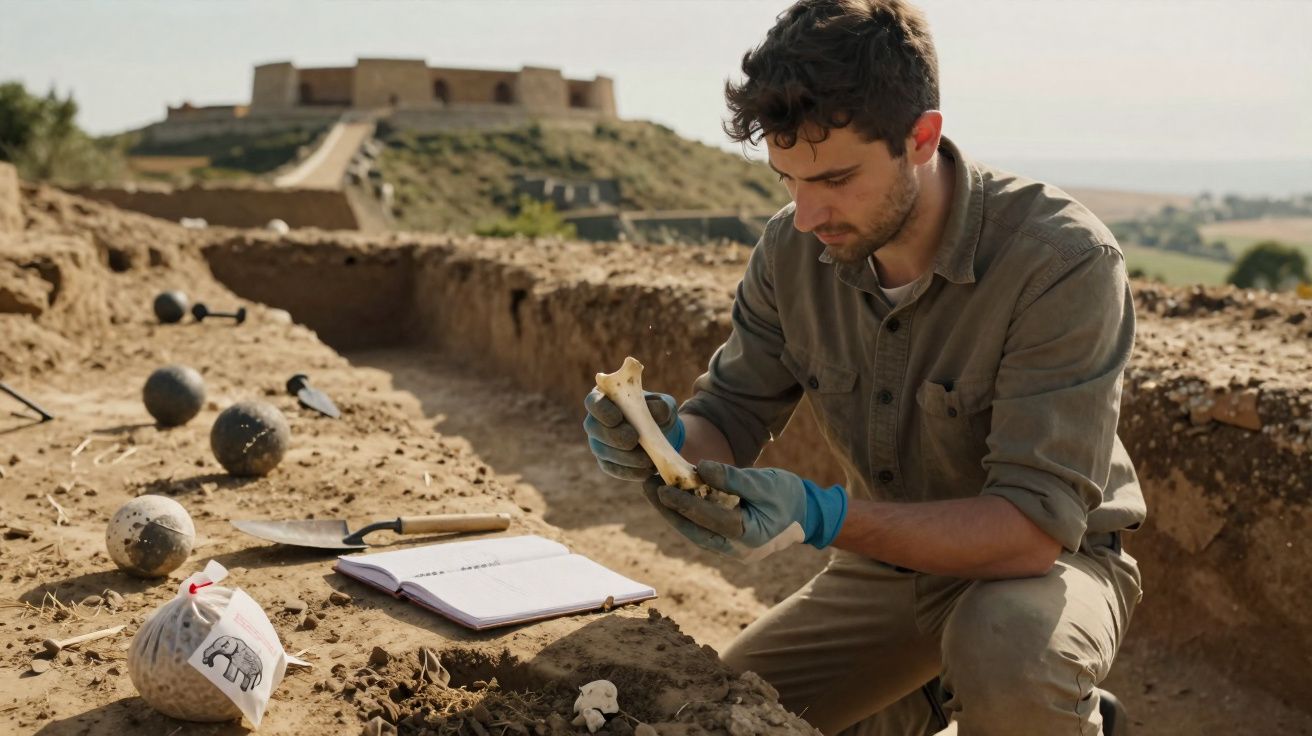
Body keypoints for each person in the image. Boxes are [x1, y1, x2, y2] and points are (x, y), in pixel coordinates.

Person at [584, 1, 1145, 733]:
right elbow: (730, 414)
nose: (809, 215)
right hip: (884, 574)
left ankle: (1062, 713)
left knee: (1007, 657)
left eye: (838, 179)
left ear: (921, 137)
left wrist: (822, 516)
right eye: (788, 180)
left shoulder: (1062, 260)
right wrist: (661, 445)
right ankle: (923, 695)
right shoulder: (791, 250)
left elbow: (1031, 529)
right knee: (722, 716)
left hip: (1043, 570)